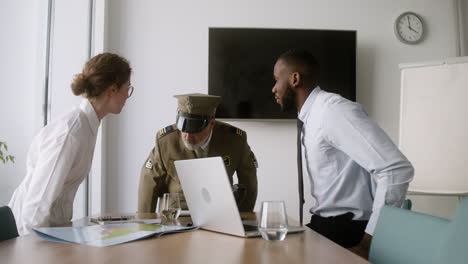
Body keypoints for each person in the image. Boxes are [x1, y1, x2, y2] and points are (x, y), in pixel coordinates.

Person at [271, 49, 414, 258]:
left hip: (347, 232)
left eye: (276, 80)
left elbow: (396, 169)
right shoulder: (312, 117)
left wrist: (369, 242)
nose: (273, 88)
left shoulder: (333, 111)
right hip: (326, 225)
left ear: (295, 79)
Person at [9, 53, 133, 235]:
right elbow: (35, 208)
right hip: (25, 237)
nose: (127, 97)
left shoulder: (88, 125)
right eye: (127, 89)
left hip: (53, 233)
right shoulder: (71, 132)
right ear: (112, 90)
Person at [138, 93, 258, 213]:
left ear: (211, 124)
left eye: (195, 128)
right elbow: (148, 181)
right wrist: (145, 223)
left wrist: (243, 219)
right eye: (183, 127)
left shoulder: (234, 141)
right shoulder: (166, 141)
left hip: (219, 213)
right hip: (178, 214)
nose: (188, 135)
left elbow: (249, 182)